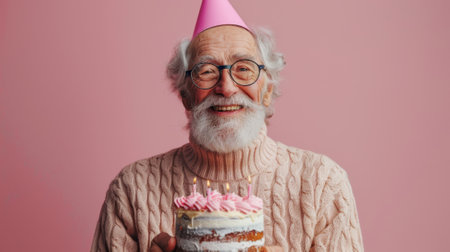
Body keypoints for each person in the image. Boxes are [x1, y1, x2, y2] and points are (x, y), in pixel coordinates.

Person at [91, 1, 364, 251]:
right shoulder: (132, 189)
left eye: (244, 68)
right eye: (207, 71)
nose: (227, 87)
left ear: (267, 91)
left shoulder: (324, 185)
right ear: (185, 94)